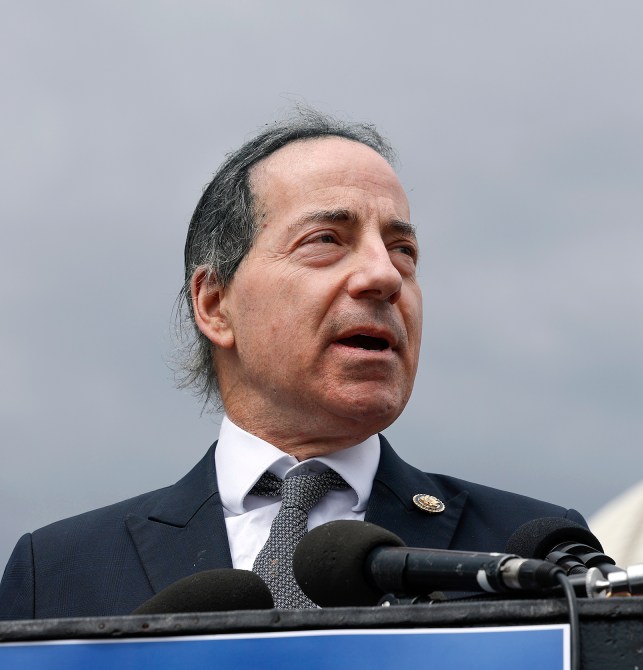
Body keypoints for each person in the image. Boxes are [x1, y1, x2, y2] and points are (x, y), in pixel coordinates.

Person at [0, 112, 586, 620]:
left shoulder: (537, 554)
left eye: (403, 251)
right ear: (214, 304)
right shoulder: (55, 572)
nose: (384, 276)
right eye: (327, 240)